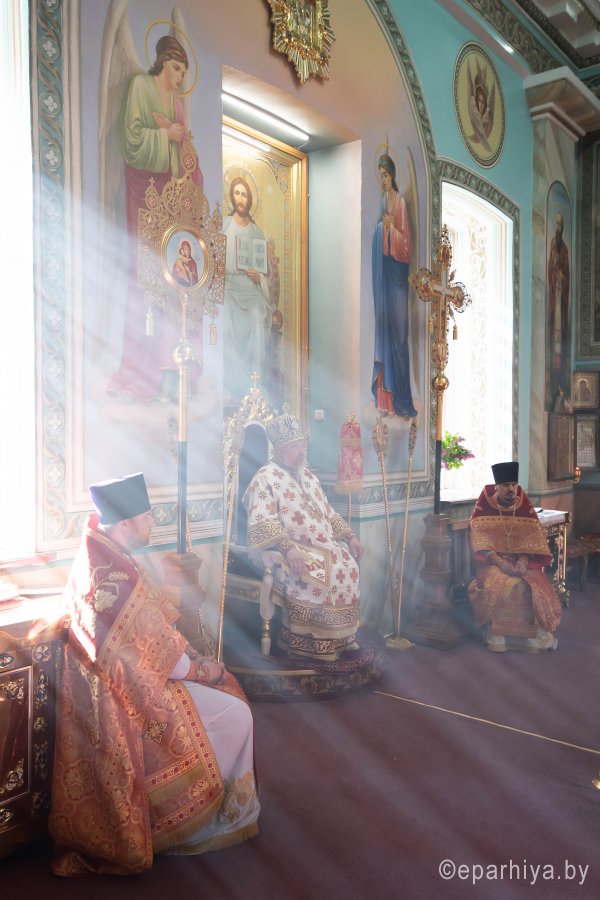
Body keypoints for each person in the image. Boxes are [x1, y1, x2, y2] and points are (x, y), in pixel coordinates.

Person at [49, 473, 259, 876]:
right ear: (126, 522)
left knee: (227, 700)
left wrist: (190, 658)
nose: (152, 523)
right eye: (146, 517)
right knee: (235, 711)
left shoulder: (101, 553)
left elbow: (155, 635)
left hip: (119, 689)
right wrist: (206, 670)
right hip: (125, 702)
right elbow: (167, 661)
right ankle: (200, 821)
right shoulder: (113, 575)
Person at [107, 35, 203, 402]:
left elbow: (183, 155)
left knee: (175, 284)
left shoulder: (176, 102)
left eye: (183, 72)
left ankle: (172, 372)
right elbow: (131, 141)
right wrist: (166, 135)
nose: (179, 77)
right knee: (145, 281)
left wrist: (182, 143)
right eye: (176, 68)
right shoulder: (140, 86)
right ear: (163, 61)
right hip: (145, 197)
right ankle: (139, 374)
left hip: (171, 202)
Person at [243, 413, 364, 659]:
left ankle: (341, 638)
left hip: (325, 546)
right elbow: (263, 520)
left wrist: (350, 537)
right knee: (326, 573)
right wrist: (288, 548)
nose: (301, 452)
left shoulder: (308, 477)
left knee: (348, 564)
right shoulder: (265, 478)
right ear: (280, 449)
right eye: (295, 447)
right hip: (293, 551)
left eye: (303, 445)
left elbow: (328, 512)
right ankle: (310, 643)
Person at [468, 461, 562, 653]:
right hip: (492, 562)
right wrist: (501, 562)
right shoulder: (484, 505)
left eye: (514, 484)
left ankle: (533, 635)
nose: (511, 489)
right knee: (497, 584)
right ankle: (497, 633)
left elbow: (532, 539)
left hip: (521, 562)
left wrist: (523, 561)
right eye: (506, 485)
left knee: (534, 585)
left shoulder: (523, 505)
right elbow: (479, 542)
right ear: (497, 487)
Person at [222, 176, 279, 406]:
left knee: (258, 313)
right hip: (229, 287)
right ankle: (230, 384)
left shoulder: (256, 232)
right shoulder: (224, 225)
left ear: (249, 199)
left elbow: (268, 275)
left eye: (244, 194)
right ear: (232, 196)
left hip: (250, 288)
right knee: (223, 315)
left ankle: (253, 385)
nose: (241, 199)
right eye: (237, 193)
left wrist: (259, 277)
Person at [371, 153, 417, 419]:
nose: (383, 180)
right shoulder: (382, 201)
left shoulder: (400, 202)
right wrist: (383, 228)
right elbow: (378, 233)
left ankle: (401, 399)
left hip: (398, 278)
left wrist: (390, 229)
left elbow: (406, 247)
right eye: (381, 176)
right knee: (386, 332)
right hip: (385, 277)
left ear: (393, 175)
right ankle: (386, 400)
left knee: (399, 336)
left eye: (386, 175)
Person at [547, 211, 570, 405]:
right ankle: (552, 376)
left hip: (561, 297)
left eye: (560, 225)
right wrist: (555, 274)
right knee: (552, 333)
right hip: (554, 294)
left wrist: (563, 277)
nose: (558, 228)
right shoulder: (553, 245)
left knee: (560, 334)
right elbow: (549, 268)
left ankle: (559, 373)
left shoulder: (565, 250)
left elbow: (567, 273)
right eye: (556, 224)